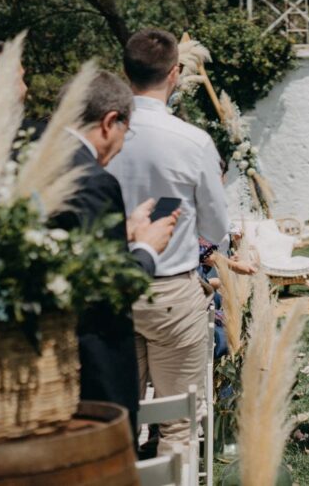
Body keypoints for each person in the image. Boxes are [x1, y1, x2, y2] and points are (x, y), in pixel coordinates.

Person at [106, 29, 229, 463]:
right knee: (178, 422)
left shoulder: (102, 134)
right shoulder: (193, 142)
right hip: (173, 294)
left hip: (110, 292)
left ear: (126, 72)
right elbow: (216, 225)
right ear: (175, 73)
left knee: (116, 419)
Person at [51, 70, 180, 439]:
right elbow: (109, 290)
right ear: (110, 122)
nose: (123, 143)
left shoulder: (42, 159)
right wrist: (145, 248)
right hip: (94, 365)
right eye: (127, 131)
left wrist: (122, 230)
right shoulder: (94, 180)